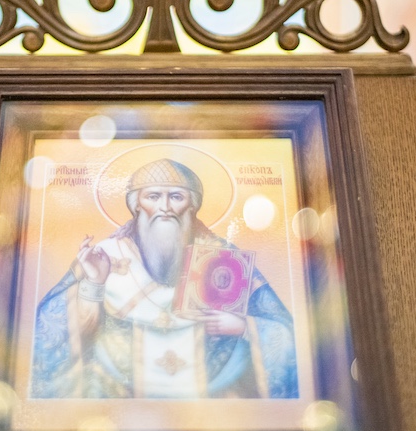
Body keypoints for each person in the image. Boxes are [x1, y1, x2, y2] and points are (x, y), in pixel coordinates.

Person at [31, 158, 299, 400]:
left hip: (215, 396)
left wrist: (243, 327)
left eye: (176, 197)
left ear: (192, 205)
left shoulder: (224, 258)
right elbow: (50, 325)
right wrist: (94, 284)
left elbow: (284, 331)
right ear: (137, 205)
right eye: (153, 196)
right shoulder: (106, 255)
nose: (165, 207)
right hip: (118, 394)